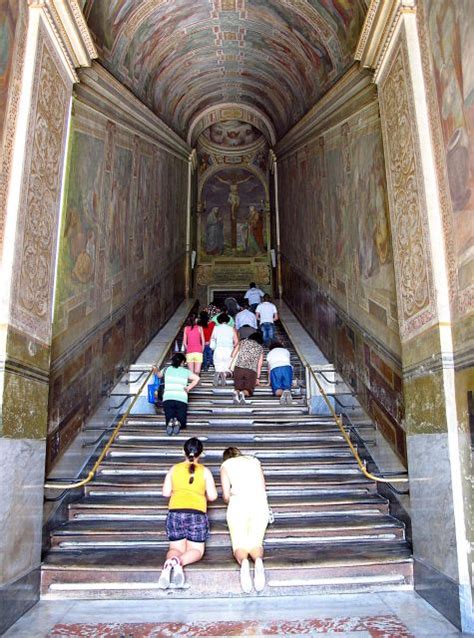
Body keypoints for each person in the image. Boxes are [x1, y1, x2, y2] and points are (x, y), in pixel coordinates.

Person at [159, 438, 218, 589]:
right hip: (196, 514)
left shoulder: (174, 469)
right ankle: (178, 562)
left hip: (175, 514)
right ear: (201, 453)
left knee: (175, 549)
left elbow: (165, 493)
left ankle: (169, 564)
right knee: (196, 550)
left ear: (183, 452)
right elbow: (212, 496)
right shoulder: (205, 471)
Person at [220, 447, 269, 593]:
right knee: (256, 542)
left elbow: (226, 495)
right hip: (259, 503)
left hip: (238, 504)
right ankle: (258, 562)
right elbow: (263, 486)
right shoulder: (254, 461)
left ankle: (244, 563)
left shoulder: (226, 466)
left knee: (239, 543)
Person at [155, 353, 200, 436]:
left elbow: (158, 375)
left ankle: (171, 422)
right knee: (182, 420)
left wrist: (156, 369)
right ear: (182, 362)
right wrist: (189, 387)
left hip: (168, 397)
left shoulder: (166, 369)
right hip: (181, 398)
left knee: (169, 415)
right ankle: (178, 423)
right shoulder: (186, 371)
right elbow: (197, 378)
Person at [232, 333, 264, 404]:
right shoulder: (260, 348)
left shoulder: (243, 342)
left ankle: (236, 392)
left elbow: (233, 354)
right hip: (251, 370)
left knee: (238, 387)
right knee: (248, 390)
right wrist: (258, 378)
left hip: (238, 368)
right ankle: (243, 393)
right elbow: (259, 365)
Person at [210, 313, 239, 386]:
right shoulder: (231, 329)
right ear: (228, 320)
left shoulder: (216, 328)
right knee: (227, 368)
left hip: (218, 349)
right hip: (229, 350)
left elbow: (212, 339)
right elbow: (236, 342)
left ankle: (218, 375)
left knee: (218, 366)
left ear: (219, 320)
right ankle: (225, 375)